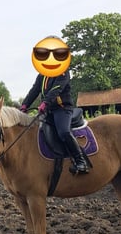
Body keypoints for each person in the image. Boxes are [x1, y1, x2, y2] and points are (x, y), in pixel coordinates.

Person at [20, 39, 90, 174]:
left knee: (63, 132)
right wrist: (24, 105)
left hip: (63, 109)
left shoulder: (63, 72)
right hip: (49, 111)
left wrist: (45, 102)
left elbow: (57, 89)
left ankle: (81, 161)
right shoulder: (42, 75)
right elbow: (34, 90)